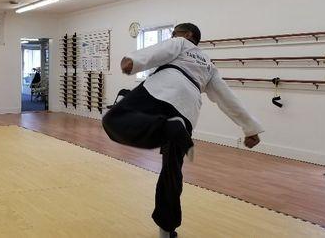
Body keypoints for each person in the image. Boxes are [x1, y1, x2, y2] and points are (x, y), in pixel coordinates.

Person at [102, 23, 263, 238]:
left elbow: (158, 52)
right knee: (172, 172)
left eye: (174, 32)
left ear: (188, 35)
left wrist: (133, 60)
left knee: (113, 120)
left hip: (161, 90)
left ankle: (167, 127)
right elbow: (226, 97)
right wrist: (249, 127)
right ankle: (167, 230)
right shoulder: (209, 65)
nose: (171, 35)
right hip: (187, 109)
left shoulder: (180, 43)